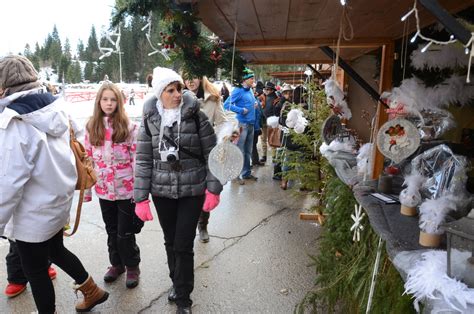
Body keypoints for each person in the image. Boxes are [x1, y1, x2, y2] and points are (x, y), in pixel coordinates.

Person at [0, 54, 108, 313]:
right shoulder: (55, 109)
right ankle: (91, 290)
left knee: (35, 270)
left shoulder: (15, 123)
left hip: (33, 214)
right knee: (56, 251)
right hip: (57, 204)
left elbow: (8, 182)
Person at [134, 66, 223, 314]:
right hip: (161, 191)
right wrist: (140, 197)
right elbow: (143, 160)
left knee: (183, 244)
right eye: (170, 90)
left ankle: (184, 298)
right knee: (170, 241)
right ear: (160, 93)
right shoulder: (150, 118)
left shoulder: (196, 115)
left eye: (179, 89)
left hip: (192, 189)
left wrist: (213, 189)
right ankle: (176, 281)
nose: (177, 94)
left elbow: (213, 154)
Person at [83, 82, 141, 288]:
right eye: (105, 99)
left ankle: (132, 265)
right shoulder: (91, 127)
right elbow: (87, 160)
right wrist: (87, 191)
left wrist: (140, 191)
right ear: (99, 102)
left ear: (119, 102)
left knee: (125, 231)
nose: (109, 103)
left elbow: (136, 158)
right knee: (111, 229)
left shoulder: (131, 127)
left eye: (113, 99)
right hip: (104, 190)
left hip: (126, 190)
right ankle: (116, 263)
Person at [184, 75, 228, 244]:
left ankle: (203, 225)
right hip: (185, 154)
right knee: (187, 192)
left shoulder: (212, 99)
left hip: (204, 153)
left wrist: (222, 138)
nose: (190, 81)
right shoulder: (177, 97)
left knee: (204, 191)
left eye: (193, 77)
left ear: (201, 78)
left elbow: (222, 122)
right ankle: (189, 224)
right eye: (186, 78)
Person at [224, 68, 258, 184]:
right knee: (240, 150)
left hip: (251, 124)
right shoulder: (238, 90)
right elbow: (226, 105)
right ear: (245, 79)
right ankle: (235, 175)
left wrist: (255, 103)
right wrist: (240, 110)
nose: (253, 80)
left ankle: (246, 173)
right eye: (251, 78)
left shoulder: (250, 90)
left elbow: (249, 102)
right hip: (242, 124)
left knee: (248, 150)